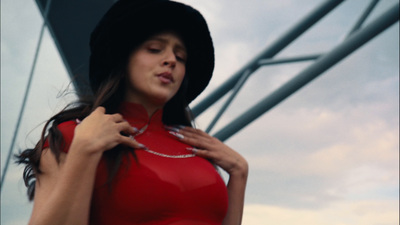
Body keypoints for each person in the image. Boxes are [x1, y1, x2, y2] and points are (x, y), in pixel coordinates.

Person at [16, 0, 248, 224]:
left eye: (180, 57)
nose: (170, 61)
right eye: (155, 49)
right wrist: (83, 150)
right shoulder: (73, 135)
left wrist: (239, 174)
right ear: (123, 58)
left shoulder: (197, 148)